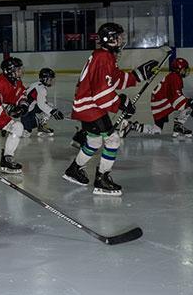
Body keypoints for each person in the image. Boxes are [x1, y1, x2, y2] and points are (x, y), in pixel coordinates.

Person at [62, 23, 157, 195]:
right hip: (91, 107)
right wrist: (121, 103)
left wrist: (138, 75)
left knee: (94, 141)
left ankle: (74, 170)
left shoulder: (105, 56)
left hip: (88, 106)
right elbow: (101, 94)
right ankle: (102, 179)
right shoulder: (104, 58)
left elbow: (114, 80)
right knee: (112, 139)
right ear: (110, 39)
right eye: (119, 37)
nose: (122, 40)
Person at [128, 57, 193, 138]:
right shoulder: (174, 78)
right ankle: (178, 126)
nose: (185, 71)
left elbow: (176, 96)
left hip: (158, 102)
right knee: (189, 104)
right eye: (184, 69)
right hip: (161, 103)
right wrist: (192, 105)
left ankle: (132, 126)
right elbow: (176, 101)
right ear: (178, 70)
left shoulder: (173, 76)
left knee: (157, 130)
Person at [21, 68, 65, 137]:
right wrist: (53, 111)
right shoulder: (41, 89)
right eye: (50, 79)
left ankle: (41, 125)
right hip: (26, 114)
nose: (52, 81)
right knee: (26, 134)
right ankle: (11, 127)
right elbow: (41, 105)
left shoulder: (36, 84)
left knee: (49, 105)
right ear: (45, 79)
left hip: (26, 110)